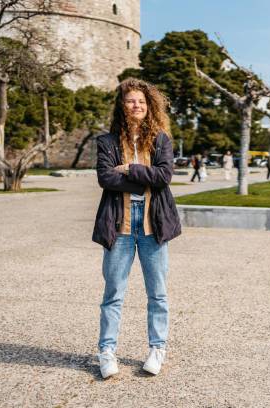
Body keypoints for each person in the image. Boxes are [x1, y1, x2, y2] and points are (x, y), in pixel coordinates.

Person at [92, 78, 181, 379]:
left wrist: (129, 169)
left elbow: (165, 176)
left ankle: (157, 349)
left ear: (149, 106)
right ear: (122, 105)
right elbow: (106, 179)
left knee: (157, 293)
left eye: (141, 101)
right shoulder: (107, 142)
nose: (136, 105)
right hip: (120, 225)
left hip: (152, 225)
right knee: (113, 292)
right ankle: (107, 351)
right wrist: (146, 177)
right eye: (131, 100)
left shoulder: (161, 140)